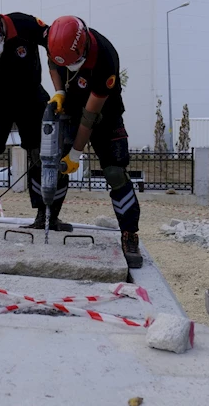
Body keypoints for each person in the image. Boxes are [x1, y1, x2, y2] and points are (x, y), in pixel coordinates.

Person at [0, 5, 71, 240]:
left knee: (44, 154)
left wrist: (60, 90)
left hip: (31, 96)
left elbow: (55, 49)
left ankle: (48, 215)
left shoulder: (25, 24)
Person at [46, 15, 142, 268]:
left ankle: (130, 234)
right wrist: (59, 91)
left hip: (105, 116)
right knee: (57, 168)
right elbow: (53, 63)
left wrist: (76, 154)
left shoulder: (105, 58)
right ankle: (47, 220)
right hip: (73, 111)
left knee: (115, 173)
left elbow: (90, 117)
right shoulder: (57, 40)